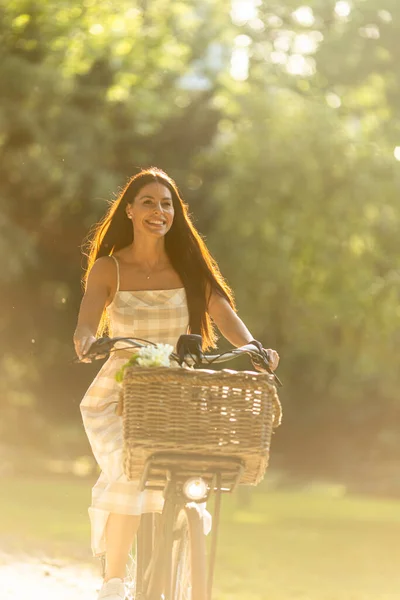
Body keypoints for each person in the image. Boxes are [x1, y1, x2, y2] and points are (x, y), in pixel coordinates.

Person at [74, 167, 279, 600]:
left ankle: (185, 539)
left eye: (167, 204)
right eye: (148, 202)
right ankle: (113, 584)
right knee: (129, 472)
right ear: (129, 210)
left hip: (176, 394)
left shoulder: (189, 272)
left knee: (193, 471)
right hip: (121, 393)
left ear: (175, 214)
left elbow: (227, 319)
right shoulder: (108, 269)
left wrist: (256, 349)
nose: (158, 211)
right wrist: (89, 342)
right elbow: (86, 326)